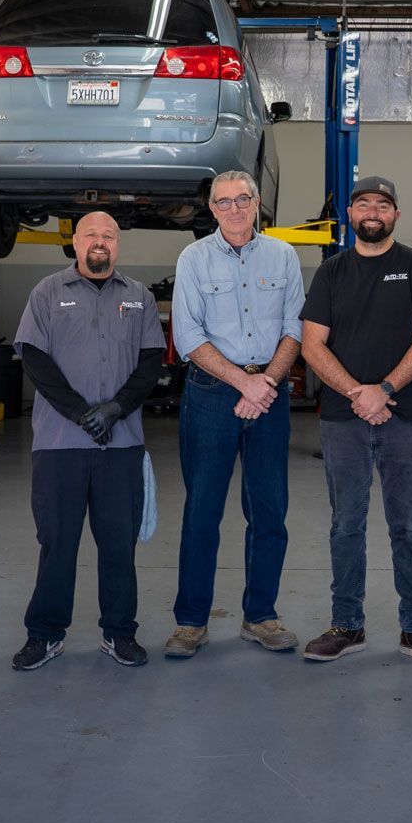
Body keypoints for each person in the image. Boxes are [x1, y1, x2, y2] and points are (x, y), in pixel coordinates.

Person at [298, 176, 412, 666]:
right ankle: (347, 624)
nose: (372, 211)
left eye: (382, 205)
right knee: (346, 525)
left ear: (396, 215)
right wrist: (356, 393)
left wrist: (383, 390)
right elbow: (311, 344)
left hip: (403, 417)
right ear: (349, 214)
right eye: (363, 203)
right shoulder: (331, 273)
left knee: (408, 526)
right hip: (344, 420)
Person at [9, 212, 166, 671]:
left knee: (119, 544)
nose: (101, 242)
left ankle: (119, 634)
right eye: (92, 235)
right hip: (60, 444)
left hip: (122, 445)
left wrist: (116, 408)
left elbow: (151, 362)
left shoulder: (138, 297)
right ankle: (44, 634)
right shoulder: (47, 293)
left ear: (118, 245)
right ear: (75, 243)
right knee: (57, 541)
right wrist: (82, 413)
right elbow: (35, 361)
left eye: (109, 236)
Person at [165, 169, 306, 658]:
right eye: (223, 202)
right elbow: (188, 337)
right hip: (211, 394)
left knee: (269, 511)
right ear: (212, 209)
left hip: (270, 393)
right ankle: (191, 622)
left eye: (243, 199)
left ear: (258, 201)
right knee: (202, 511)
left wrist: (264, 383)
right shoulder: (194, 259)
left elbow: (295, 329)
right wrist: (243, 382)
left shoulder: (283, 256)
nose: (234, 209)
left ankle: (261, 616)